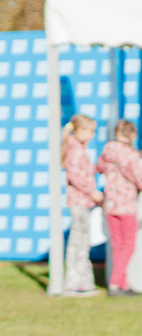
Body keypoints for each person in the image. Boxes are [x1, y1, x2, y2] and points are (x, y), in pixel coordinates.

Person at [96, 119, 142, 297]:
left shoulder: (107, 150)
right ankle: (115, 283)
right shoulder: (132, 155)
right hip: (127, 204)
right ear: (132, 135)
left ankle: (123, 284)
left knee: (117, 245)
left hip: (110, 203)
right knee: (128, 245)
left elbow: (99, 168)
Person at [61, 113, 101, 297]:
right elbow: (75, 175)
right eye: (91, 131)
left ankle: (83, 282)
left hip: (82, 201)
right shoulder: (75, 149)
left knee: (82, 241)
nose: (93, 135)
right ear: (80, 130)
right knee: (78, 242)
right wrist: (91, 191)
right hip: (79, 201)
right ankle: (74, 283)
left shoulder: (77, 147)